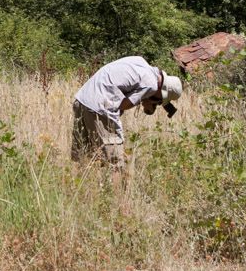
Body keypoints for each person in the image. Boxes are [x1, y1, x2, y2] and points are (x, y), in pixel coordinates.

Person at [72, 56, 182, 185]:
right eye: (159, 102)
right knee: (115, 163)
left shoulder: (140, 62)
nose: (157, 104)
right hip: (100, 106)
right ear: (160, 93)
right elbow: (124, 104)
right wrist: (146, 100)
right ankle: (117, 201)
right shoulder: (151, 85)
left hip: (82, 99)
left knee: (82, 155)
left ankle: (75, 189)